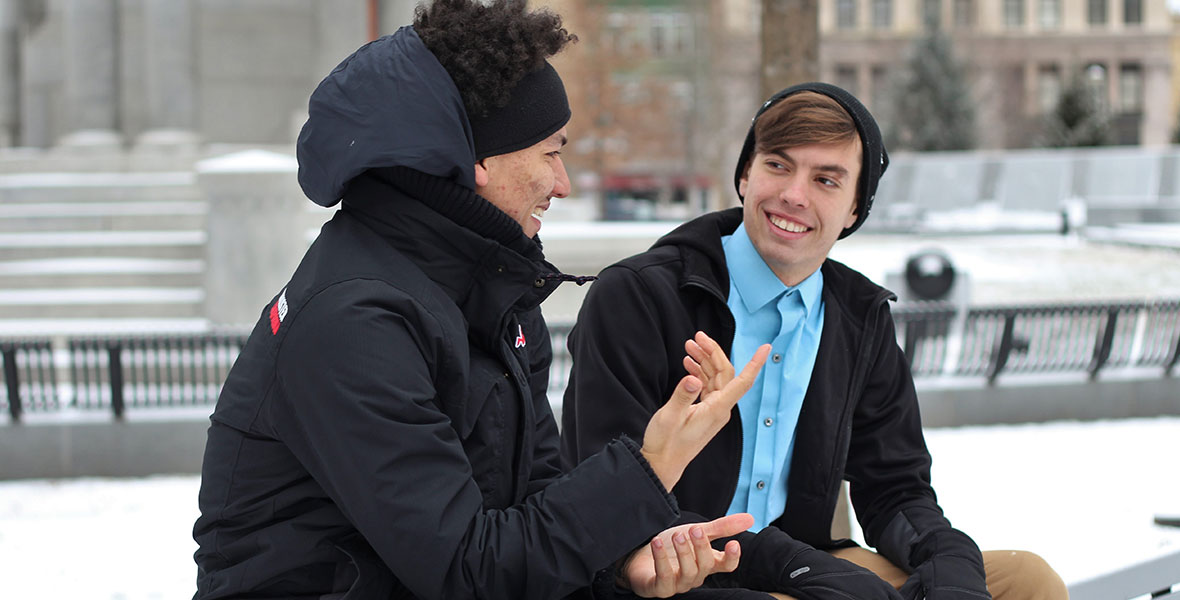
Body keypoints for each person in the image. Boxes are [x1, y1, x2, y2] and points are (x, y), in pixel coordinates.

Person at [191, 2, 770, 598]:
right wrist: (651, 467)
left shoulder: (491, 291)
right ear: (477, 162)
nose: (563, 183)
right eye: (551, 152)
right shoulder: (355, 321)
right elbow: (469, 573)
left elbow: (532, 505)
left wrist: (621, 566)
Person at [561, 83, 1069, 600]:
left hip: (807, 565)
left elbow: (895, 487)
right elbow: (605, 495)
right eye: (778, 166)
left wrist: (950, 566)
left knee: (1027, 581)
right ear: (745, 174)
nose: (794, 195)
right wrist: (805, 571)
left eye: (827, 180)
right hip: (668, 571)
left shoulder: (857, 317)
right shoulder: (641, 296)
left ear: (854, 209)